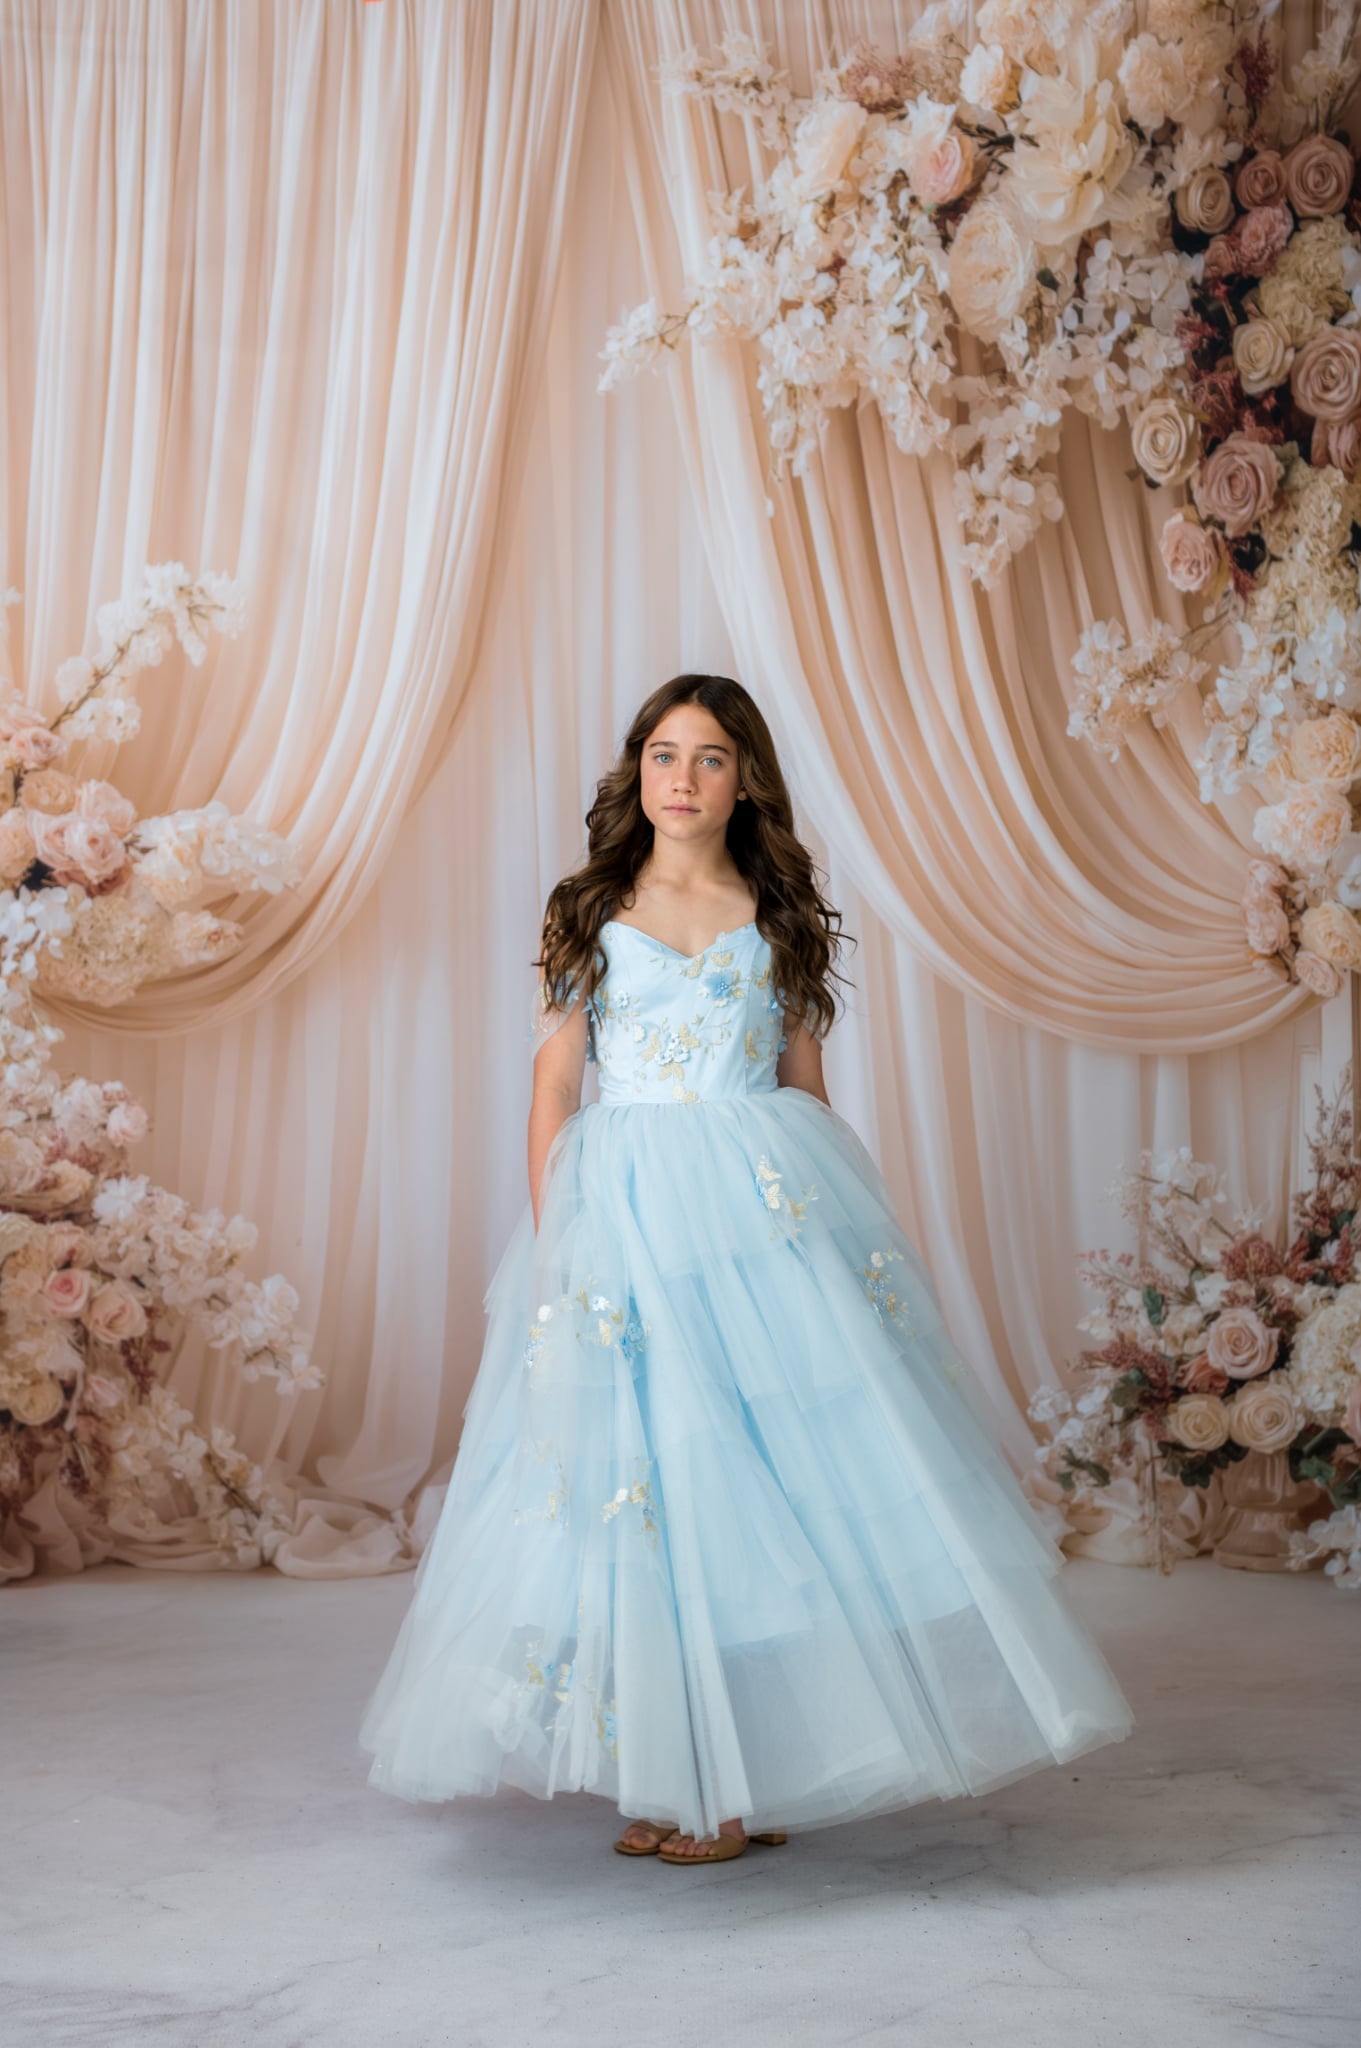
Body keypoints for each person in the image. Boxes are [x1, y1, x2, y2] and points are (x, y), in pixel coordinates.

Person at [358, 673, 1134, 1866]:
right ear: (636, 775)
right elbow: (555, 1086)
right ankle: (684, 1772)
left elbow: (801, 1090)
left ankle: (730, 1785)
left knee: (756, 1493)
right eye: (663, 755)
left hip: (757, 1216)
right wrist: (561, 1241)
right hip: (623, 1215)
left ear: (743, 779)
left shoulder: (775, 913)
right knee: (654, 1498)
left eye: (709, 757)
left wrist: (835, 1243)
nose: (681, 777)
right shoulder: (589, 906)